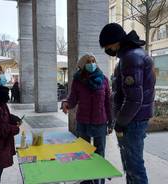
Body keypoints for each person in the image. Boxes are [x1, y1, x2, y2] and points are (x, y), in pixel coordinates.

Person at [99, 23, 156, 184]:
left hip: (132, 121)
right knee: (132, 165)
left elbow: (134, 99)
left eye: (107, 45)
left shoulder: (130, 58)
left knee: (134, 166)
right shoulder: (133, 55)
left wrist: (121, 123)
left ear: (115, 41)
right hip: (135, 119)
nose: (107, 50)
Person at [61, 54, 113, 184]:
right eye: (89, 62)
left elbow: (108, 102)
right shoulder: (78, 81)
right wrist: (66, 103)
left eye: (93, 61)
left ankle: (98, 181)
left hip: (100, 122)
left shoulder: (104, 80)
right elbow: (73, 98)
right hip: (83, 122)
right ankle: (87, 180)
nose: (92, 64)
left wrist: (111, 122)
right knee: (83, 153)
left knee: (99, 154)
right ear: (83, 65)